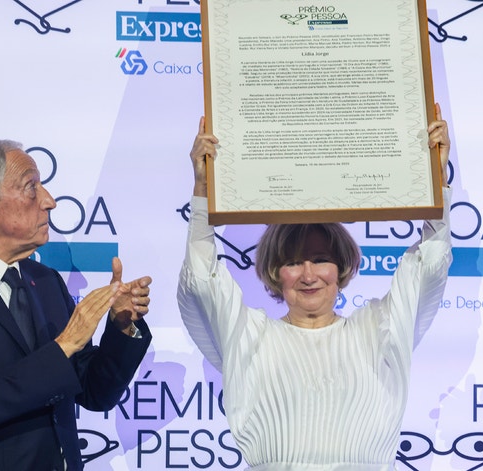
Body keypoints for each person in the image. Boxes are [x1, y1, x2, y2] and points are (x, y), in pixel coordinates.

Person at [177, 105, 452, 469]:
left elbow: (428, 264)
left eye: (320, 259)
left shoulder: (377, 330)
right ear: (274, 272)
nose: (308, 275)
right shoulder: (249, 336)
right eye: (293, 262)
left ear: (342, 267)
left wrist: (435, 179)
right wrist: (202, 190)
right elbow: (201, 280)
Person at [0, 140, 153, 470]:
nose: (50, 201)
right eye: (31, 187)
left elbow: (94, 392)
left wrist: (122, 325)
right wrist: (64, 344)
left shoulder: (46, 281)